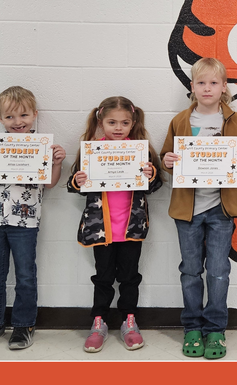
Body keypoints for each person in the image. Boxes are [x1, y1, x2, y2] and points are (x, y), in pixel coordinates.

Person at [160, 57, 237, 360]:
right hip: (188, 210)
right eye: (201, 82)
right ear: (192, 87)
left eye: (214, 82)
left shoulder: (234, 120)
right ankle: (191, 327)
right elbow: (165, 157)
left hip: (221, 209)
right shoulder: (180, 121)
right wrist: (168, 162)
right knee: (189, 270)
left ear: (224, 87)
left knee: (218, 270)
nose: (207, 88)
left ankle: (215, 328)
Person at [0, 86, 65, 351]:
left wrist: (56, 163)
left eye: (23, 115)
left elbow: (50, 185)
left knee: (25, 275)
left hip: (26, 223)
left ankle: (24, 324)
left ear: (34, 115)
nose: (17, 122)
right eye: (10, 117)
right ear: (0, 119)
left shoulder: (41, 146)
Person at [66, 96, 163, 353]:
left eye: (124, 122)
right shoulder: (91, 150)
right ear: (101, 121)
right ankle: (99, 322)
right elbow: (72, 185)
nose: (118, 128)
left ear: (133, 123)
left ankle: (129, 321)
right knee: (103, 278)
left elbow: (155, 186)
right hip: (102, 229)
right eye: (112, 122)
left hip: (132, 228)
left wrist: (150, 175)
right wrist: (79, 179)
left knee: (130, 278)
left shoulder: (141, 152)